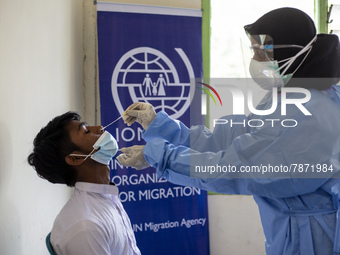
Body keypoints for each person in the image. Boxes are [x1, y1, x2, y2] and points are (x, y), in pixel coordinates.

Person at [117, 8, 340, 255]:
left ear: (287, 51)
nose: (254, 60)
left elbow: (234, 168)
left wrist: (161, 156)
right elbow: (237, 139)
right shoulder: (291, 97)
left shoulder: (310, 112)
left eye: (259, 51)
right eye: (252, 51)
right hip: (296, 231)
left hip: (315, 239)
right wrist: (162, 127)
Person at [27, 111, 141, 255]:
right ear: (75, 158)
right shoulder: (86, 227)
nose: (99, 128)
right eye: (86, 131)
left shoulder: (105, 198)